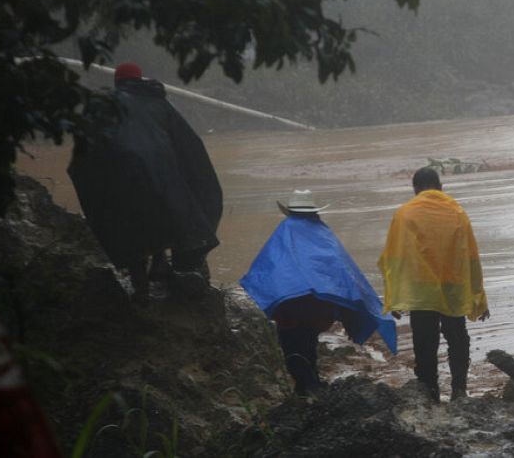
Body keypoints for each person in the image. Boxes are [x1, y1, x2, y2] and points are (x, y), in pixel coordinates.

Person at [67, 62, 221, 304]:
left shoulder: (100, 104)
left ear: (117, 81)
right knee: (164, 214)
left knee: (130, 228)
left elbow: (86, 146)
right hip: (163, 178)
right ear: (139, 80)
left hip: (122, 179)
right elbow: (189, 145)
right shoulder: (158, 102)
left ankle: (141, 291)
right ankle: (161, 268)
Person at [241, 189, 397, 397]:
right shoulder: (322, 233)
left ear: (290, 212)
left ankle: (306, 388)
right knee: (308, 343)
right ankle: (311, 384)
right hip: (317, 309)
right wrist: (348, 313)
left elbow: (269, 268)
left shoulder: (284, 232)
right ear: (314, 212)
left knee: (293, 348)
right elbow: (343, 273)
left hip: (290, 308)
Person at [379, 167, 489, 402]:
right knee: (457, 337)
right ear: (441, 187)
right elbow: (471, 257)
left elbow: (394, 258)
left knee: (424, 343)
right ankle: (459, 389)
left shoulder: (404, 214)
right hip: (452, 288)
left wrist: (395, 297)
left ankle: (430, 393)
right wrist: (479, 297)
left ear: (415, 189)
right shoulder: (456, 212)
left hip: (421, 290)